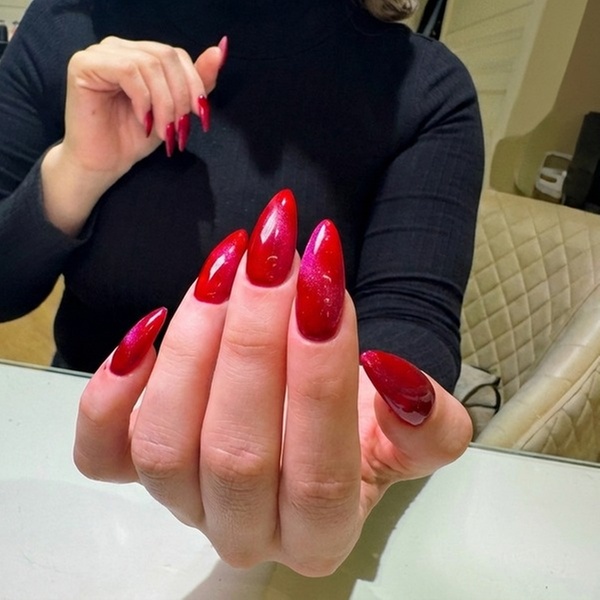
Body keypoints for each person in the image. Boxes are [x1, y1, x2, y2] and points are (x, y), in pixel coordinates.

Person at [0, 0, 484, 576]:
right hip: (57, 453)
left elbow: (410, 318)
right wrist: (77, 170)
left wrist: (363, 430)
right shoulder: (64, 27)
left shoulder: (424, 86)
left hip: (284, 478)